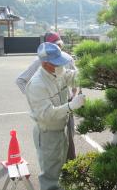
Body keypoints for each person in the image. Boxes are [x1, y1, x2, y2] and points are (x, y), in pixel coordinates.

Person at [25, 42, 85, 190]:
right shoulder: (37, 84)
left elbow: (73, 77)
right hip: (48, 134)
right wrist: (71, 105)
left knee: (63, 168)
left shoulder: (57, 72)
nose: (61, 65)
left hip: (62, 130)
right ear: (45, 64)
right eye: (57, 63)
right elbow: (47, 114)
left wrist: (93, 71)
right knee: (50, 177)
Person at [16, 31, 77, 160]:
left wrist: (73, 95)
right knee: (52, 154)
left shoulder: (67, 58)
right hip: (51, 113)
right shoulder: (41, 61)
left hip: (68, 106)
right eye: (54, 46)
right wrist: (36, 99)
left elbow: (75, 78)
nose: (57, 50)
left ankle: (69, 173)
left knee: (69, 141)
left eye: (59, 46)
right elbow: (21, 80)